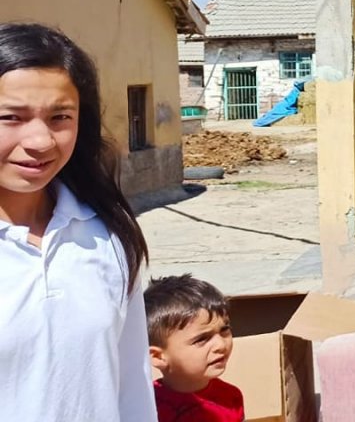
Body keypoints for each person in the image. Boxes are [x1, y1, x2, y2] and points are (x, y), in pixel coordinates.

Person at [0, 22, 157, 421]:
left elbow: (133, 386)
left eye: (59, 117)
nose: (40, 141)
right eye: (11, 117)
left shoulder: (109, 234)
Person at [145, 274, 245, 422]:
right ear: (158, 357)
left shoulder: (231, 397)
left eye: (224, 330)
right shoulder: (146, 406)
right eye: (202, 339)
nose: (220, 345)